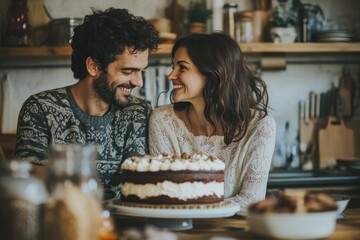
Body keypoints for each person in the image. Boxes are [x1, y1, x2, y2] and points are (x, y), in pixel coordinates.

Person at [14, 8, 159, 200]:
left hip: (125, 225)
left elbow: (139, 187)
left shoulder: (139, 112)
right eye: (127, 71)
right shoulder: (40, 108)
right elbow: (31, 185)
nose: (138, 82)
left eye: (141, 71)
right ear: (94, 66)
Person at [149, 32, 276, 209]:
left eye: (182, 68)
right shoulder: (162, 121)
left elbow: (251, 200)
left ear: (213, 74)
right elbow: (166, 194)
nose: (171, 75)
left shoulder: (259, 125)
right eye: (173, 67)